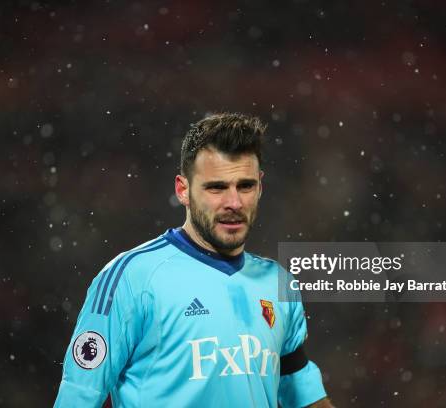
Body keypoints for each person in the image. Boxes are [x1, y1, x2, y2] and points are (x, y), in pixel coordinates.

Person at [54, 113, 334, 407]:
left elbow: (301, 392)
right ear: (183, 190)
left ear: (260, 186)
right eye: (217, 187)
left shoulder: (278, 282)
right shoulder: (131, 278)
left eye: (245, 186)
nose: (234, 203)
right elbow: (78, 397)